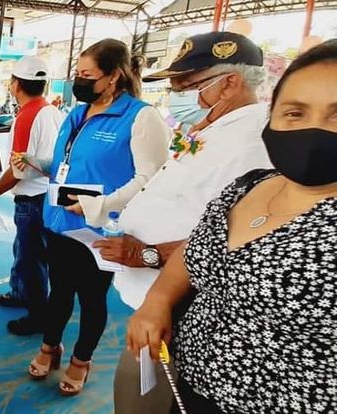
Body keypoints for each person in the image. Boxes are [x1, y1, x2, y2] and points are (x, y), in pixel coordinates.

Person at [127, 40, 337, 413]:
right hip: (189, 384)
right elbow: (197, 248)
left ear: (229, 82)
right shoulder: (249, 185)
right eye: (294, 112)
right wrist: (158, 300)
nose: (312, 130)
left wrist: (146, 255)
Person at [98, 32, 272, 413]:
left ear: (230, 83)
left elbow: (236, 238)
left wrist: (148, 254)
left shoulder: (252, 145)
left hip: (183, 308)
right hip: (158, 301)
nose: (177, 94)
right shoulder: (214, 127)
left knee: (149, 399)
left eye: (187, 85)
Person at [24, 39, 170, 396]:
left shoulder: (140, 117)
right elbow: (66, 164)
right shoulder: (76, 114)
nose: (79, 80)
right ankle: (50, 346)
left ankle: (82, 359)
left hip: (100, 231)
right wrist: (36, 163)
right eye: (77, 73)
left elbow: (150, 177)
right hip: (60, 223)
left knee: (91, 299)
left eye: (87, 74)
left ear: (113, 76)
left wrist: (98, 206)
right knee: (59, 293)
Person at [0, 57, 64, 317]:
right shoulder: (52, 112)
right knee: (25, 249)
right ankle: (20, 293)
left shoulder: (28, 116)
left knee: (31, 258)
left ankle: (37, 315)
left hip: (32, 199)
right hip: (49, 194)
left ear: (16, 85)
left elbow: (19, 169)